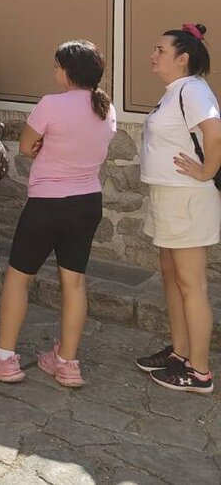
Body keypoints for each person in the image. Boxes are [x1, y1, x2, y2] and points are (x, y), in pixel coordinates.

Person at [0, 40, 116, 388]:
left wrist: (47, 147)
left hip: (48, 203)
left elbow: (26, 145)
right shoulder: (106, 107)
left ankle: (4, 358)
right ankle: (67, 362)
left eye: (57, 66)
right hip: (87, 201)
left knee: (19, 278)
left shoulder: (51, 104)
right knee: (74, 282)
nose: (54, 71)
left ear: (68, 71)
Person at [135, 23, 221, 395]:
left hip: (186, 198)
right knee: (172, 278)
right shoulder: (177, 91)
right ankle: (181, 353)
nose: (153, 55)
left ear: (183, 58)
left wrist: (207, 171)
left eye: (161, 50)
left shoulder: (193, 90)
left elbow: (215, 133)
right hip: (169, 196)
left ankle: (198, 372)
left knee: (190, 284)